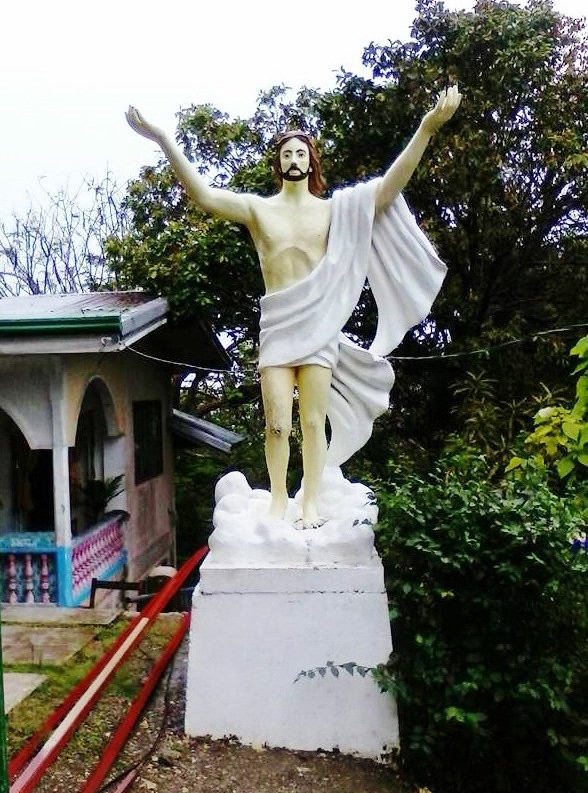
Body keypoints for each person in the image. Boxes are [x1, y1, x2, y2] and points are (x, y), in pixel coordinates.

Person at [126, 85, 461, 527]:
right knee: (277, 423)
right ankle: (280, 498)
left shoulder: (334, 211)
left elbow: (386, 189)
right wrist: (164, 139)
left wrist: (426, 127)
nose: (294, 159)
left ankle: (311, 501)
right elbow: (205, 196)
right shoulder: (259, 210)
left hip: (319, 329)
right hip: (278, 329)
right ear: (278, 163)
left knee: (312, 422)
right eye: (286, 153)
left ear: (312, 161)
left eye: (301, 153)